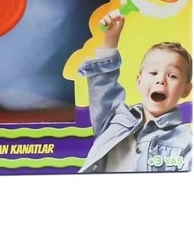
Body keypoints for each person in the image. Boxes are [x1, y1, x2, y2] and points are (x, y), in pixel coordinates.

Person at [78, 14, 192, 173]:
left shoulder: (186, 142)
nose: (161, 80)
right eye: (153, 73)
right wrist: (110, 39)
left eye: (172, 76)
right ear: (139, 81)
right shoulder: (115, 120)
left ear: (186, 89)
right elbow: (103, 88)